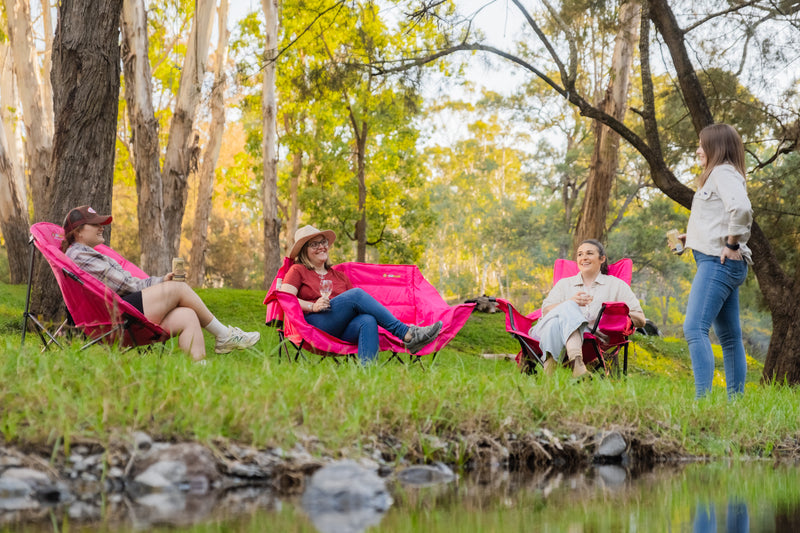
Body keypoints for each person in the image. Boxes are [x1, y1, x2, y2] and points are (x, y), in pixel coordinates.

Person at [62, 205, 260, 362]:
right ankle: (224, 335)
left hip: (122, 313)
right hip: (114, 317)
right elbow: (125, 285)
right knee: (179, 288)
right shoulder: (80, 255)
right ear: (78, 232)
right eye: (95, 224)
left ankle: (199, 372)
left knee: (188, 316)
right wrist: (161, 285)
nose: (101, 227)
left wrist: (161, 282)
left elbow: (125, 283)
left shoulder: (90, 253)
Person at [278, 225, 443, 364]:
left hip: (341, 328)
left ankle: (367, 376)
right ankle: (407, 334)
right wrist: (312, 306)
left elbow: (355, 306)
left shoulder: (339, 276)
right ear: (304, 250)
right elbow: (286, 298)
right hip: (316, 324)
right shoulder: (298, 270)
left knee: (367, 320)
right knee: (356, 294)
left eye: (323, 242)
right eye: (314, 244)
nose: (321, 247)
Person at [678, 123, 752, 399]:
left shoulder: (722, 172)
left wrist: (732, 243)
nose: (698, 150)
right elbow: (720, 217)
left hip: (717, 263)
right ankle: (734, 404)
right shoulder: (719, 175)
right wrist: (692, 236)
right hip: (720, 262)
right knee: (730, 337)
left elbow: (741, 208)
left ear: (716, 147)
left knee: (694, 327)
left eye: (701, 144)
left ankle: (702, 402)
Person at [529, 239, 646, 378]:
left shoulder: (616, 285)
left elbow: (640, 319)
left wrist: (614, 315)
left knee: (556, 322)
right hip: (543, 331)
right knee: (567, 308)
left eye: (589, 253)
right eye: (579, 254)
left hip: (591, 339)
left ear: (602, 259)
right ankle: (577, 363)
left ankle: (548, 377)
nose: (583, 257)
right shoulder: (564, 284)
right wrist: (570, 302)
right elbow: (546, 311)